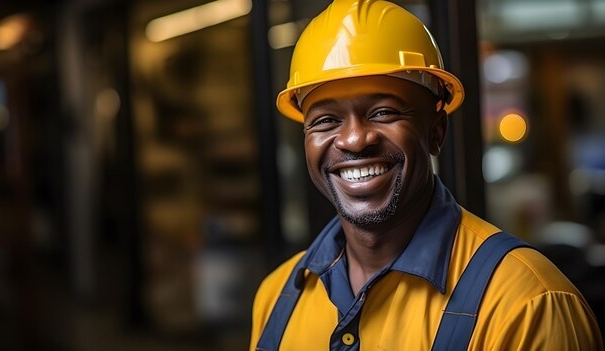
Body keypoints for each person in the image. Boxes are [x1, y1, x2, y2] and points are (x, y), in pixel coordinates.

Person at [250, 0, 604, 350]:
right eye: (326, 120)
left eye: (384, 112)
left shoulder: (526, 304)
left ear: (436, 130)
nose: (355, 139)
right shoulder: (277, 299)